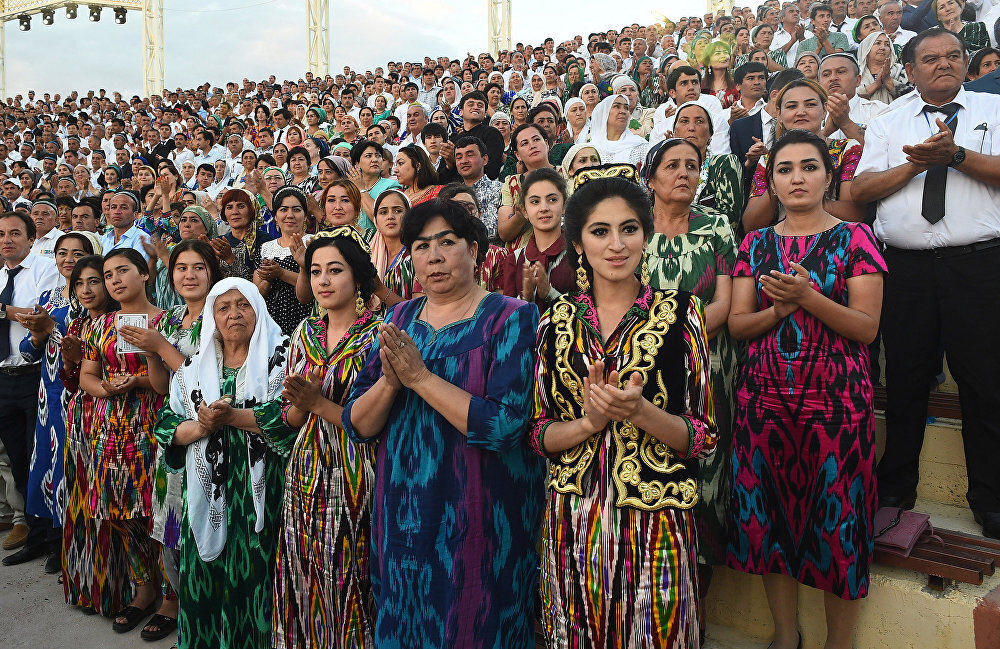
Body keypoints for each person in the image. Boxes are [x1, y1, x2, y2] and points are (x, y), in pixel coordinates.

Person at [342, 199, 544, 648]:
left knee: (475, 621)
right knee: (405, 619)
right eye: (420, 246)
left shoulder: (510, 318)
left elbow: (506, 426)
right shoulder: (397, 319)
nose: (433, 256)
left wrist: (419, 378)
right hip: (403, 514)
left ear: (474, 251)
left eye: (446, 243)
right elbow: (357, 422)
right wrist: (391, 385)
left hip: (480, 514)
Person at [530, 175, 716, 647]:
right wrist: (591, 423)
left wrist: (640, 413)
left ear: (646, 235)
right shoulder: (554, 321)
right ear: (577, 243)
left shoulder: (683, 313)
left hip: (658, 525)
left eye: (629, 229)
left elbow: (703, 435)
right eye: (600, 231)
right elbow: (538, 435)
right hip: (575, 520)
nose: (616, 244)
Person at [727, 129, 886, 649]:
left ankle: (838, 643)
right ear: (770, 180)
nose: (797, 178)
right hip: (764, 403)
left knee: (839, 525)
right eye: (785, 169)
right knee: (770, 522)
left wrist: (807, 297)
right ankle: (784, 634)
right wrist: (779, 310)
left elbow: (865, 327)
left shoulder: (856, 238)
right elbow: (737, 326)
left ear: (828, 175)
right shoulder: (757, 242)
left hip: (836, 407)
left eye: (809, 167)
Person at [851, 28, 1000, 539]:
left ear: (965, 63)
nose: (944, 65)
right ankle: (895, 488)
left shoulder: (992, 111)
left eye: (954, 56)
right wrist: (916, 163)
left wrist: (956, 156)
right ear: (909, 71)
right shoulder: (889, 122)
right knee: (907, 379)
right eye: (930, 59)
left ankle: (992, 497)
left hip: (978, 266)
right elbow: (862, 187)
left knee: (984, 381)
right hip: (907, 270)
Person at [154, 278, 293, 649]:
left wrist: (231, 417)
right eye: (224, 307)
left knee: (258, 574)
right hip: (206, 491)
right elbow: (166, 427)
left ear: (258, 310)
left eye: (243, 304)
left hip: (264, 492)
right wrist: (200, 425)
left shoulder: (283, 357)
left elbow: (289, 421)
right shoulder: (192, 370)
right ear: (212, 315)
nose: (234, 314)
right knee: (206, 574)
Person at [272, 231, 381, 649]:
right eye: (315, 271)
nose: (323, 280)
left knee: (351, 567)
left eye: (335, 270)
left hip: (359, 468)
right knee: (305, 564)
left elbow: (377, 418)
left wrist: (317, 402)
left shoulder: (378, 335)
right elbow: (290, 416)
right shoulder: (304, 332)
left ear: (358, 278)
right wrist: (303, 403)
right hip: (306, 468)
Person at [641, 139, 737, 595]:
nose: (684, 173)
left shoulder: (716, 225)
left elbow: (725, 302)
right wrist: (653, 353)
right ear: (651, 175)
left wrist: (676, 341)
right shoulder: (632, 227)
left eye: (693, 166)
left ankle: (695, 604)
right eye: (672, 165)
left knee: (706, 482)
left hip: (707, 365)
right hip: (639, 372)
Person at [118, 239, 223, 642]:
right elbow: (163, 387)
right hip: (174, 436)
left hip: (211, 434)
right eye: (181, 267)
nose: (190, 275)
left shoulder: (222, 315)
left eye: (198, 267)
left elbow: (206, 381)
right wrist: (150, 354)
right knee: (174, 529)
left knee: (204, 527)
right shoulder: (174, 318)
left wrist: (161, 347)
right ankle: (183, 605)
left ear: (211, 272)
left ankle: (204, 616)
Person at [77, 248, 166, 633]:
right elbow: (87, 375)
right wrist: (106, 389)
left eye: (122, 271)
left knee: (155, 513)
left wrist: (137, 381)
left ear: (144, 274)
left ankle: (171, 598)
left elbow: (172, 379)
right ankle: (142, 590)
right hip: (109, 427)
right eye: (108, 274)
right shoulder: (100, 325)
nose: (114, 280)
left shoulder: (167, 320)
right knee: (119, 512)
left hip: (151, 423)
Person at [58, 253, 132, 615]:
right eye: (80, 283)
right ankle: (86, 582)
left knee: (108, 505)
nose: (87, 290)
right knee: (82, 500)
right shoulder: (77, 324)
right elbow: (71, 381)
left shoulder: (119, 321)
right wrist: (72, 363)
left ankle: (116, 587)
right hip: (79, 420)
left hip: (111, 421)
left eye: (95, 281)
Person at [15, 233, 93, 574]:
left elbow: (86, 349)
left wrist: (52, 330)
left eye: (78, 253)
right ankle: (49, 539)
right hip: (48, 397)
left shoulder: (92, 298)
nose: (68, 259)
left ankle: (72, 544)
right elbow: (28, 353)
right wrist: (36, 334)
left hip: (79, 394)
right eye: (62, 253)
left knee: (71, 468)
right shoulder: (46, 297)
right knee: (45, 467)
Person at [0, 211, 60, 566]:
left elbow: (41, 316)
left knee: (42, 459)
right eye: (1, 233)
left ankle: (53, 539)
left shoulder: (43, 268)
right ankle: (34, 536)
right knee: (19, 458)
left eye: (14, 233)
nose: (7, 239)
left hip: (34, 373)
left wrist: (4, 310)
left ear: (30, 238)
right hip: (2, 378)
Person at [743, 78, 865, 231]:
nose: (801, 112)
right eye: (792, 106)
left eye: (810, 104)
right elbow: (750, 225)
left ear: (824, 111)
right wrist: (779, 181)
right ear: (779, 115)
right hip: (783, 244)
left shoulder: (847, 149)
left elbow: (854, 213)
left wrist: (801, 200)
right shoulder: (768, 160)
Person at [499, 168, 575, 310]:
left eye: (552, 200)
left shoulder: (579, 254)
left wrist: (549, 294)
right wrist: (525, 299)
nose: (544, 208)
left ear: (564, 205)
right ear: (524, 211)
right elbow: (508, 321)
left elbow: (591, 315)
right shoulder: (514, 260)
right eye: (535, 202)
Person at [672, 102, 745, 230]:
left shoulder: (723, 164)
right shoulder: (665, 169)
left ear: (710, 133)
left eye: (699, 121)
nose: (691, 127)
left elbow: (729, 221)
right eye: (684, 121)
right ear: (674, 133)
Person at [254, 186, 315, 336]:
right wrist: (268, 278)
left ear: (305, 216)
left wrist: (281, 273)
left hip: (303, 315)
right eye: (283, 210)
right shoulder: (265, 248)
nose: (290, 215)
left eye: (296, 209)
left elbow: (316, 283)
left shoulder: (313, 243)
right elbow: (257, 293)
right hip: (270, 319)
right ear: (275, 216)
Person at [819, 52, 888, 144]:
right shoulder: (810, 114)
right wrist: (826, 132)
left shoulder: (878, 111)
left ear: (858, 80)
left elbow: (883, 150)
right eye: (826, 74)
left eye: (840, 72)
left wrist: (844, 122)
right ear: (819, 84)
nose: (833, 78)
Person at [581, 94, 651, 166]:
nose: (623, 111)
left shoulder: (640, 146)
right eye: (617, 106)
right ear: (604, 113)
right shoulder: (590, 149)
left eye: (626, 108)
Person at [857, 31, 909, 102]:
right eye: (878, 43)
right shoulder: (856, 72)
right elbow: (848, 98)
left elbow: (913, 97)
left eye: (887, 44)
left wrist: (888, 81)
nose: (883, 48)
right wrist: (876, 84)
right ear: (866, 48)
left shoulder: (899, 70)